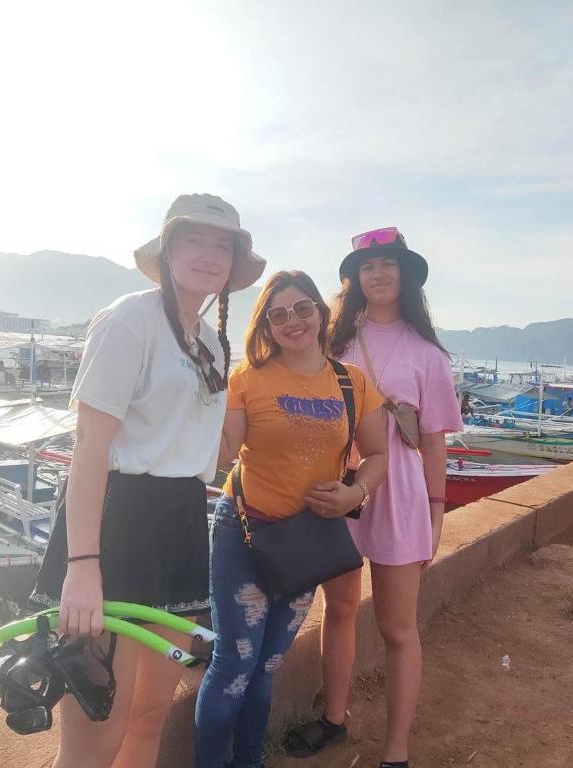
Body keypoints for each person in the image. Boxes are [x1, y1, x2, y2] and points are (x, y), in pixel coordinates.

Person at [30, 194, 265, 768]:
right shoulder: (129, 319)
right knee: (98, 721)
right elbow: (90, 446)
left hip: (182, 518)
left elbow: (203, 450)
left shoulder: (210, 341)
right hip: (118, 518)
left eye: (223, 244)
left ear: (234, 264)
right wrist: (82, 567)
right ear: (166, 250)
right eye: (194, 239)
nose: (209, 254)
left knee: (151, 713)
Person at [284, 227, 463, 768]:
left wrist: (436, 512)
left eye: (389, 264)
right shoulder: (333, 342)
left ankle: (395, 753)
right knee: (337, 609)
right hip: (337, 485)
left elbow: (432, 441)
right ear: (354, 279)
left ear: (405, 275)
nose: (378, 274)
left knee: (397, 627)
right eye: (368, 267)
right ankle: (333, 721)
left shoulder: (429, 353)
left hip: (402, 490)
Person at [195, 270, 388, 768]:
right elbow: (219, 455)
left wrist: (354, 493)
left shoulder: (352, 382)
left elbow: (379, 454)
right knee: (234, 665)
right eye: (278, 314)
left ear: (322, 314)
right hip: (246, 532)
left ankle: (250, 761)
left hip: (307, 541)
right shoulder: (247, 379)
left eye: (303, 308)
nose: (293, 321)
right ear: (266, 326)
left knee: (267, 668)